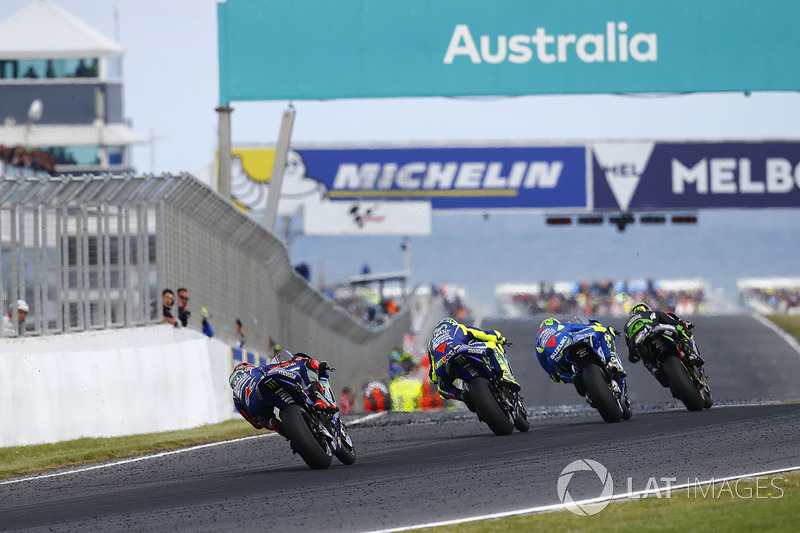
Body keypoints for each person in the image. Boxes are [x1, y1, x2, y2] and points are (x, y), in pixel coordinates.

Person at [228, 352, 339, 437]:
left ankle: (277, 426)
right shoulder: (253, 371)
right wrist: (297, 361)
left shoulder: (236, 397)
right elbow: (277, 367)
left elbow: (255, 424)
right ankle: (319, 398)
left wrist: (266, 422)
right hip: (263, 384)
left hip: (258, 405)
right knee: (306, 364)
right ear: (246, 368)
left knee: (264, 420)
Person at [426, 317, 518, 408]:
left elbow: (433, 377)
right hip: (461, 350)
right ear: (452, 323)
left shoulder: (431, 343)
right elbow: (485, 335)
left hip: (442, 366)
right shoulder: (459, 327)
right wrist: (501, 339)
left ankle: (461, 395)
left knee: (443, 390)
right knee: (492, 346)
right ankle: (504, 376)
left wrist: (437, 377)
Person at [535, 316, 625, 397]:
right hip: (570, 342)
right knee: (604, 330)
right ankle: (611, 359)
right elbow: (583, 327)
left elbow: (551, 373)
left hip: (557, 358)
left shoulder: (538, 344)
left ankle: (574, 378)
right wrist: (602, 328)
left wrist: (560, 377)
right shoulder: (560, 326)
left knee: (561, 374)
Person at [624, 303, 704, 386]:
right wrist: (683, 324)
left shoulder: (626, 326)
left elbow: (632, 356)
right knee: (679, 329)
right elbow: (671, 321)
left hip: (641, 343)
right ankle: (690, 353)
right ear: (646, 309)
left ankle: (654, 370)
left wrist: (634, 355)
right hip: (656, 329)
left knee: (644, 357)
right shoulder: (651, 313)